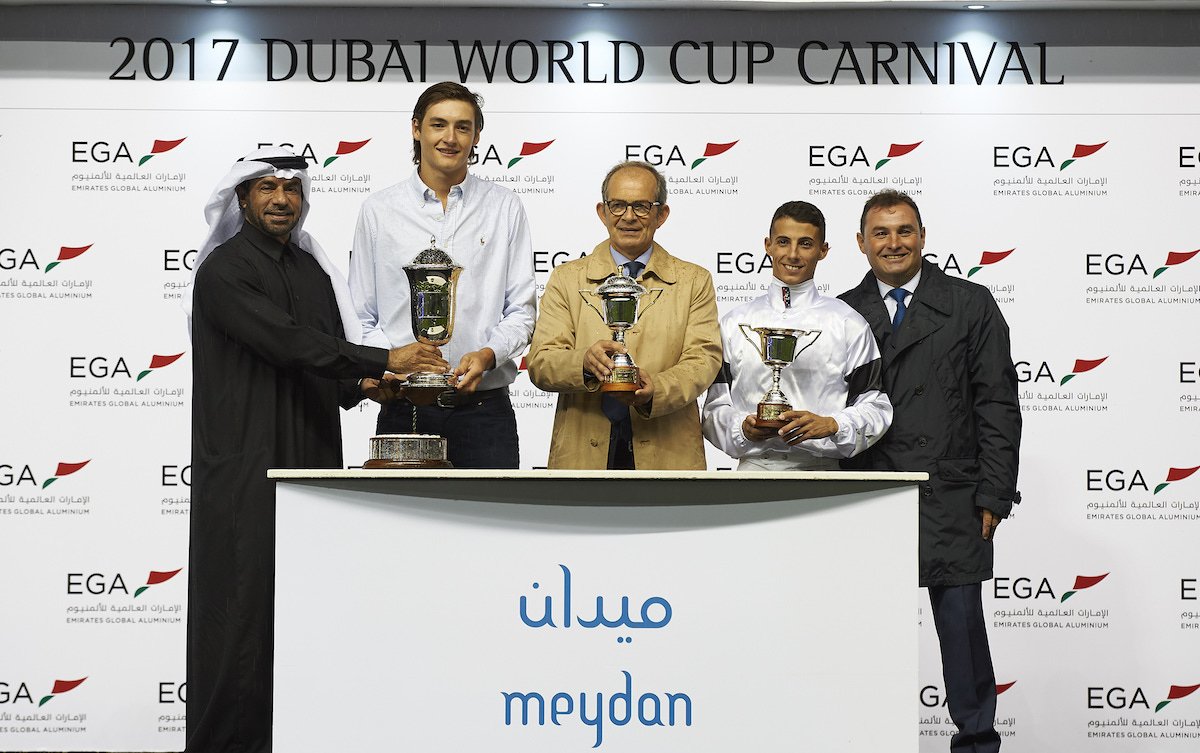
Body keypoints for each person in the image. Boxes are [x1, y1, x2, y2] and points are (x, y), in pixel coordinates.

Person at [184, 147, 427, 753]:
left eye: (291, 189)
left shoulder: (312, 271)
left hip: (311, 458)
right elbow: (286, 342)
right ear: (242, 198)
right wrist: (382, 358)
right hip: (245, 466)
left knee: (303, 611)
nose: (280, 199)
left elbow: (322, 358)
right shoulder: (224, 269)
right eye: (266, 188)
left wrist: (360, 384)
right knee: (242, 615)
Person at [839, 190, 1021, 753]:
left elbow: (997, 402)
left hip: (952, 492)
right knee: (863, 633)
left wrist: (994, 490)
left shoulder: (971, 303)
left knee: (963, 634)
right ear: (862, 242)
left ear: (922, 236)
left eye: (904, 231)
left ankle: (977, 744)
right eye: (880, 232)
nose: (893, 243)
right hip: (867, 491)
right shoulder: (840, 312)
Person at [348, 81, 536, 468]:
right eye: (438, 125)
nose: (450, 138)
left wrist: (488, 354)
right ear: (416, 129)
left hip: (484, 413)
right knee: (400, 529)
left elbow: (522, 311)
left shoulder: (505, 208)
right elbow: (361, 314)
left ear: (476, 136)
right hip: (404, 410)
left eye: (463, 127)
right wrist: (392, 362)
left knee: (493, 527)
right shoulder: (379, 210)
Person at [527, 161, 721, 469]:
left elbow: (704, 360)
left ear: (661, 214)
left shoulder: (694, 280)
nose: (628, 217)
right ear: (602, 212)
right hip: (581, 452)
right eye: (617, 205)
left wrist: (657, 389)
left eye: (642, 206)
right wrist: (584, 364)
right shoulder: (566, 279)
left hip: (667, 451)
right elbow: (540, 362)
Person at [701, 200, 891, 470]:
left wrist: (832, 425)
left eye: (805, 243)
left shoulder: (847, 322)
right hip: (752, 472)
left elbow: (876, 407)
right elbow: (713, 409)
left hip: (823, 474)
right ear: (768, 245)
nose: (792, 254)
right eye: (783, 242)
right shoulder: (735, 323)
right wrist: (742, 429)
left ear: (822, 250)